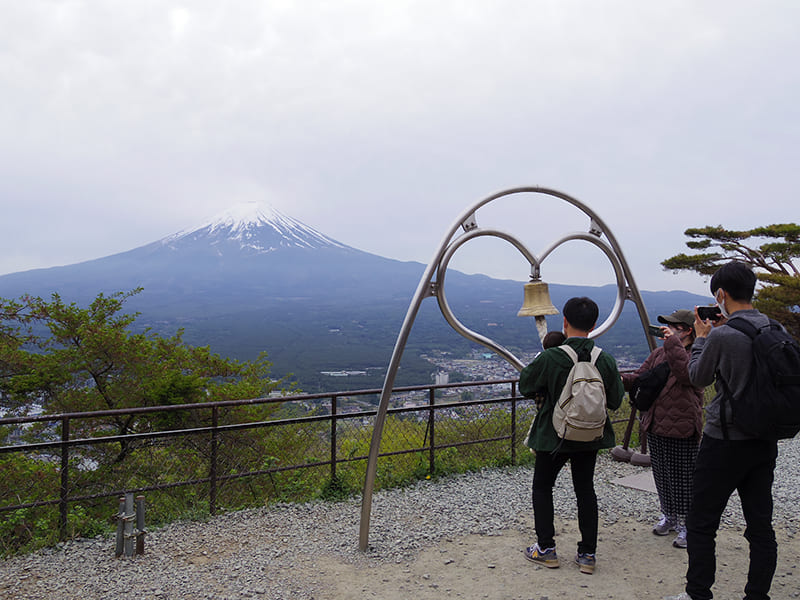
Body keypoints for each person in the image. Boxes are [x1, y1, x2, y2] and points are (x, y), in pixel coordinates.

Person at [665, 261, 780, 600]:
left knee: (702, 522)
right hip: (764, 438)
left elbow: (697, 376)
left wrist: (701, 339)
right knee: (760, 525)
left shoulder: (724, 334)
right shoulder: (774, 328)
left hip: (724, 439)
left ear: (721, 294)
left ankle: (698, 593)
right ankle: (757, 595)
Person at [520, 297, 624, 575]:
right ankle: (587, 554)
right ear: (593, 325)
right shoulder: (605, 359)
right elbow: (615, 400)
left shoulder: (552, 357)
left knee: (543, 488)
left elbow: (526, 385)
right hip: (590, 437)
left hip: (552, 436)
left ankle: (546, 549)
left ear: (564, 322)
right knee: (585, 490)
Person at [621, 309, 704, 550]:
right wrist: (617, 379)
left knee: (684, 480)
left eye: (673, 326)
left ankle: (689, 525)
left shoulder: (695, 354)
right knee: (663, 477)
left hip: (682, 425)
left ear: (687, 330)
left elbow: (687, 375)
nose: (667, 329)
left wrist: (674, 344)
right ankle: (669, 515)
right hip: (656, 423)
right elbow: (640, 377)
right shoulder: (660, 354)